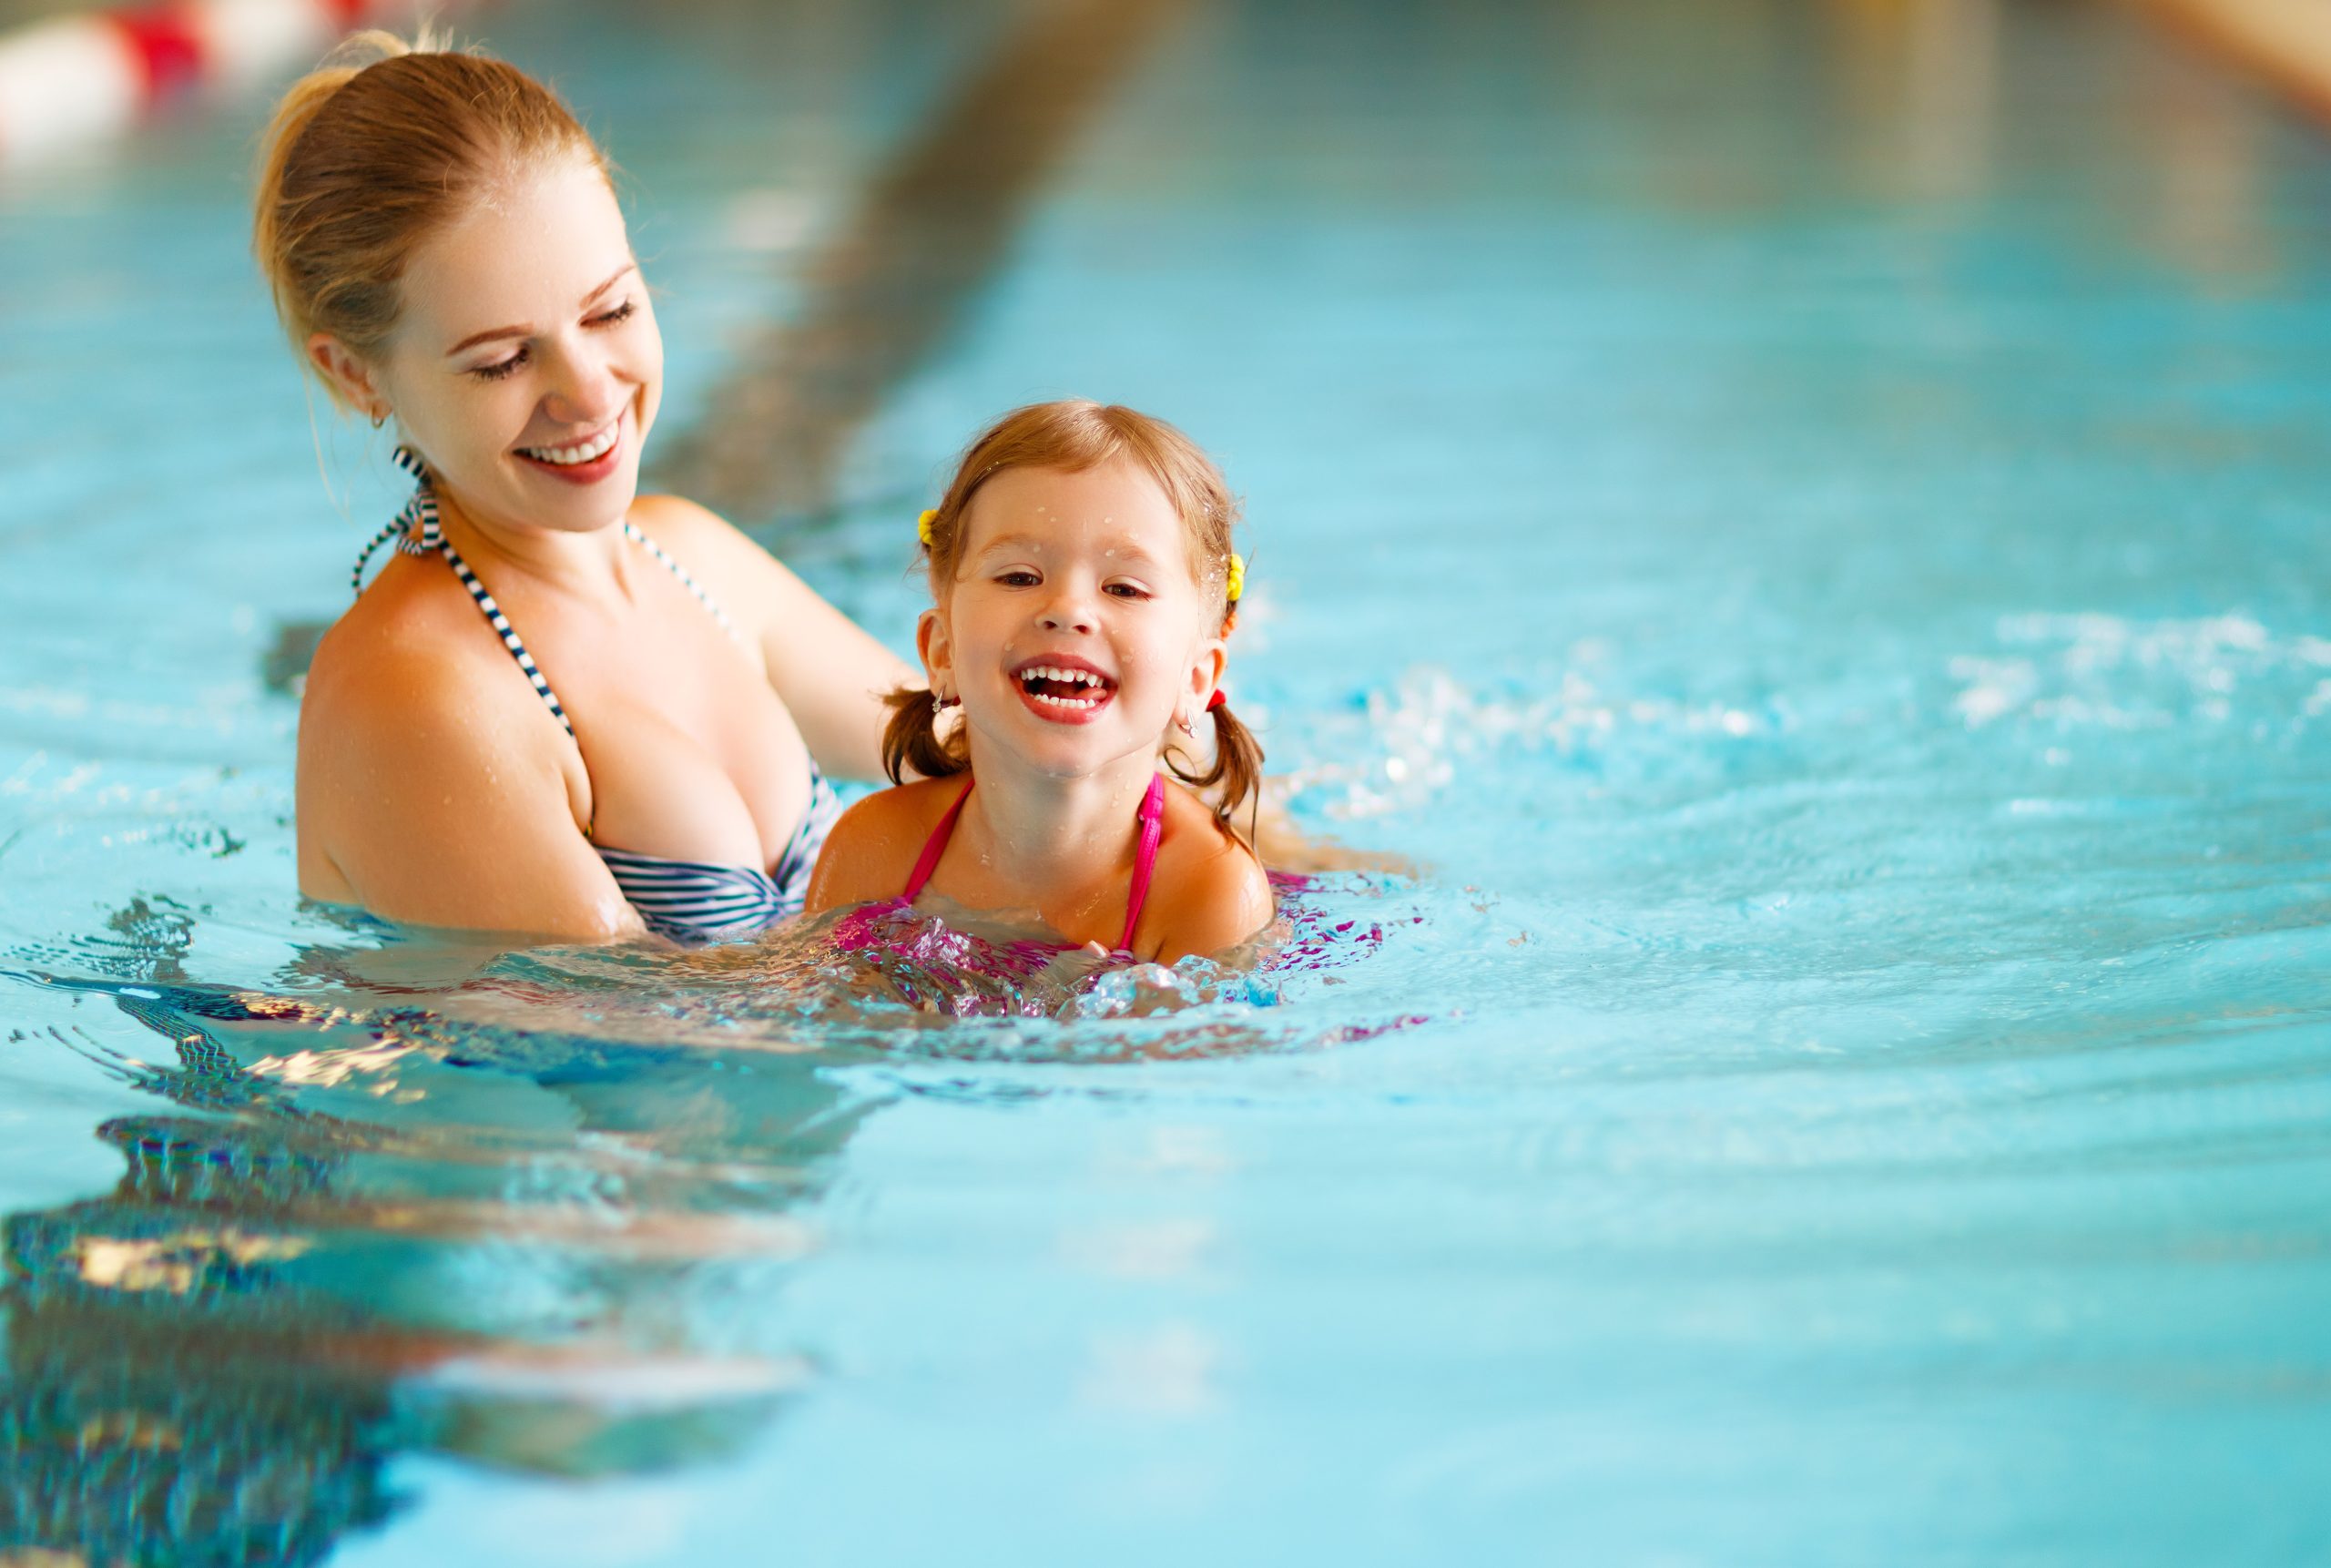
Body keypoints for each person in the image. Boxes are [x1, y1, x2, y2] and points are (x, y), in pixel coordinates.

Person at [253, 33, 912, 943]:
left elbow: (969, 750)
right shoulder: (414, 694)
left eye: (612, 310)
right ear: (357, 376)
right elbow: (637, 1035)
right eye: (503, 360)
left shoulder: (691, 556)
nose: (592, 392)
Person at [804, 400, 1273, 964]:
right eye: (1020, 576)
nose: (1068, 609)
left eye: (1124, 588)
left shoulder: (1209, 893)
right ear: (942, 651)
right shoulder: (876, 847)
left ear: (1196, 679)